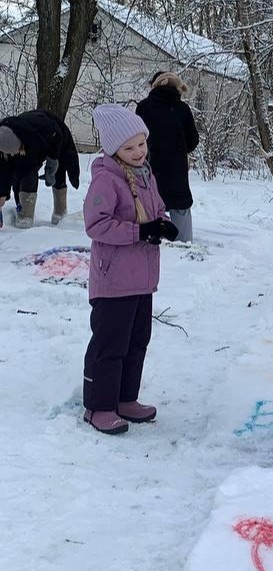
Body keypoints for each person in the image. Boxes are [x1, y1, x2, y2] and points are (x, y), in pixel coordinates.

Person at [82, 104, 179, 435]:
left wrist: (162, 224)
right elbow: (96, 225)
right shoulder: (107, 180)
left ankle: (124, 398)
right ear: (114, 149)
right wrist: (140, 231)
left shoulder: (145, 174)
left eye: (142, 143)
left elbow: (157, 208)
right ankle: (99, 406)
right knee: (111, 345)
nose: (139, 152)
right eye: (129, 147)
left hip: (142, 278)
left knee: (137, 341)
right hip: (114, 281)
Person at [136, 71, 200, 243]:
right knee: (180, 206)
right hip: (176, 170)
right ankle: (183, 245)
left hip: (148, 167)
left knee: (149, 204)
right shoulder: (182, 109)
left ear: (154, 85)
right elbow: (193, 141)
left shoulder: (143, 107)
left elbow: (135, 138)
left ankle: (150, 240)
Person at [0, 109, 81, 228]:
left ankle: (60, 213)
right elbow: (4, 172)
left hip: (56, 137)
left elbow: (57, 139)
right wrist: (1, 194)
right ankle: (25, 215)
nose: (11, 156)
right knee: (23, 172)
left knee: (59, 171)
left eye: (14, 153)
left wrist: (52, 162)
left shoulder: (38, 134)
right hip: (29, 141)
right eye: (8, 154)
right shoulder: (2, 143)